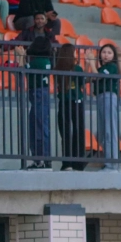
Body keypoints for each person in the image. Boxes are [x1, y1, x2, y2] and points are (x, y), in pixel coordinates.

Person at [23, 31, 56, 169]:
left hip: (38, 94)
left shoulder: (39, 62)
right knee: (37, 125)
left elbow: (22, 70)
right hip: (40, 95)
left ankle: (42, 159)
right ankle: (41, 159)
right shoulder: (46, 61)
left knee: (39, 127)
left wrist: (21, 57)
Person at [91, 43, 121, 171]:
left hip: (108, 97)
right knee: (103, 131)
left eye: (109, 52)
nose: (106, 55)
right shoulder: (103, 67)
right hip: (101, 98)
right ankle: (110, 162)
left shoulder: (112, 67)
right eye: (104, 52)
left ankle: (113, 164)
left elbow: (97, 76)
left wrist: (90, 63)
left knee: (109, 130)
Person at [53, 42, 87, 170]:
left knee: (65, 133)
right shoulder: (77, 68)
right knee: (78, 131)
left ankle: (67, 163)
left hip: (64, 103)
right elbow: (81, 84)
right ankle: (78, 163)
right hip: (76, 102)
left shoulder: (58, 69)